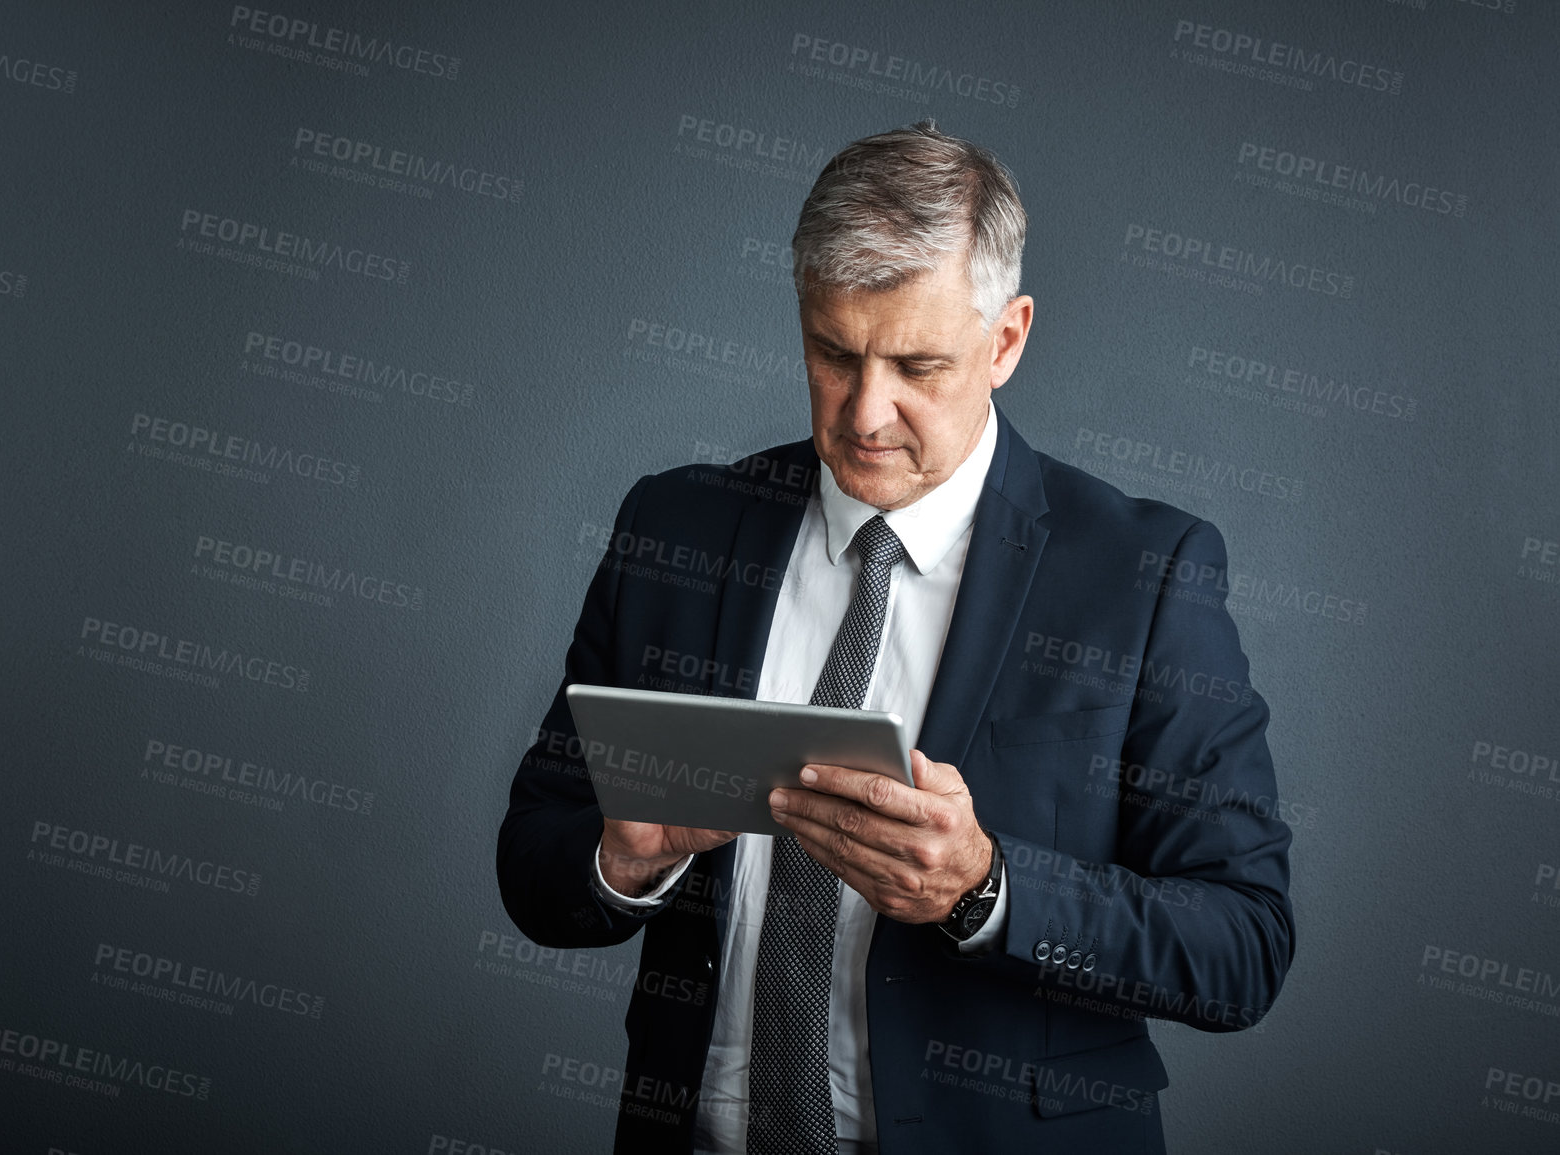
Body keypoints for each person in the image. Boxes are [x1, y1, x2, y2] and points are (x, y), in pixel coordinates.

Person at [497, 119, 1294, 1154]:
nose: (867, 414)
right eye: (834, 354)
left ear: (1006, 340)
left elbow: (1244, 944)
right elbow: (533, 861)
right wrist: (620, 859)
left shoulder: (1142, 576)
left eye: (918, 365)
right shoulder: (674, 530)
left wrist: (987, 888)